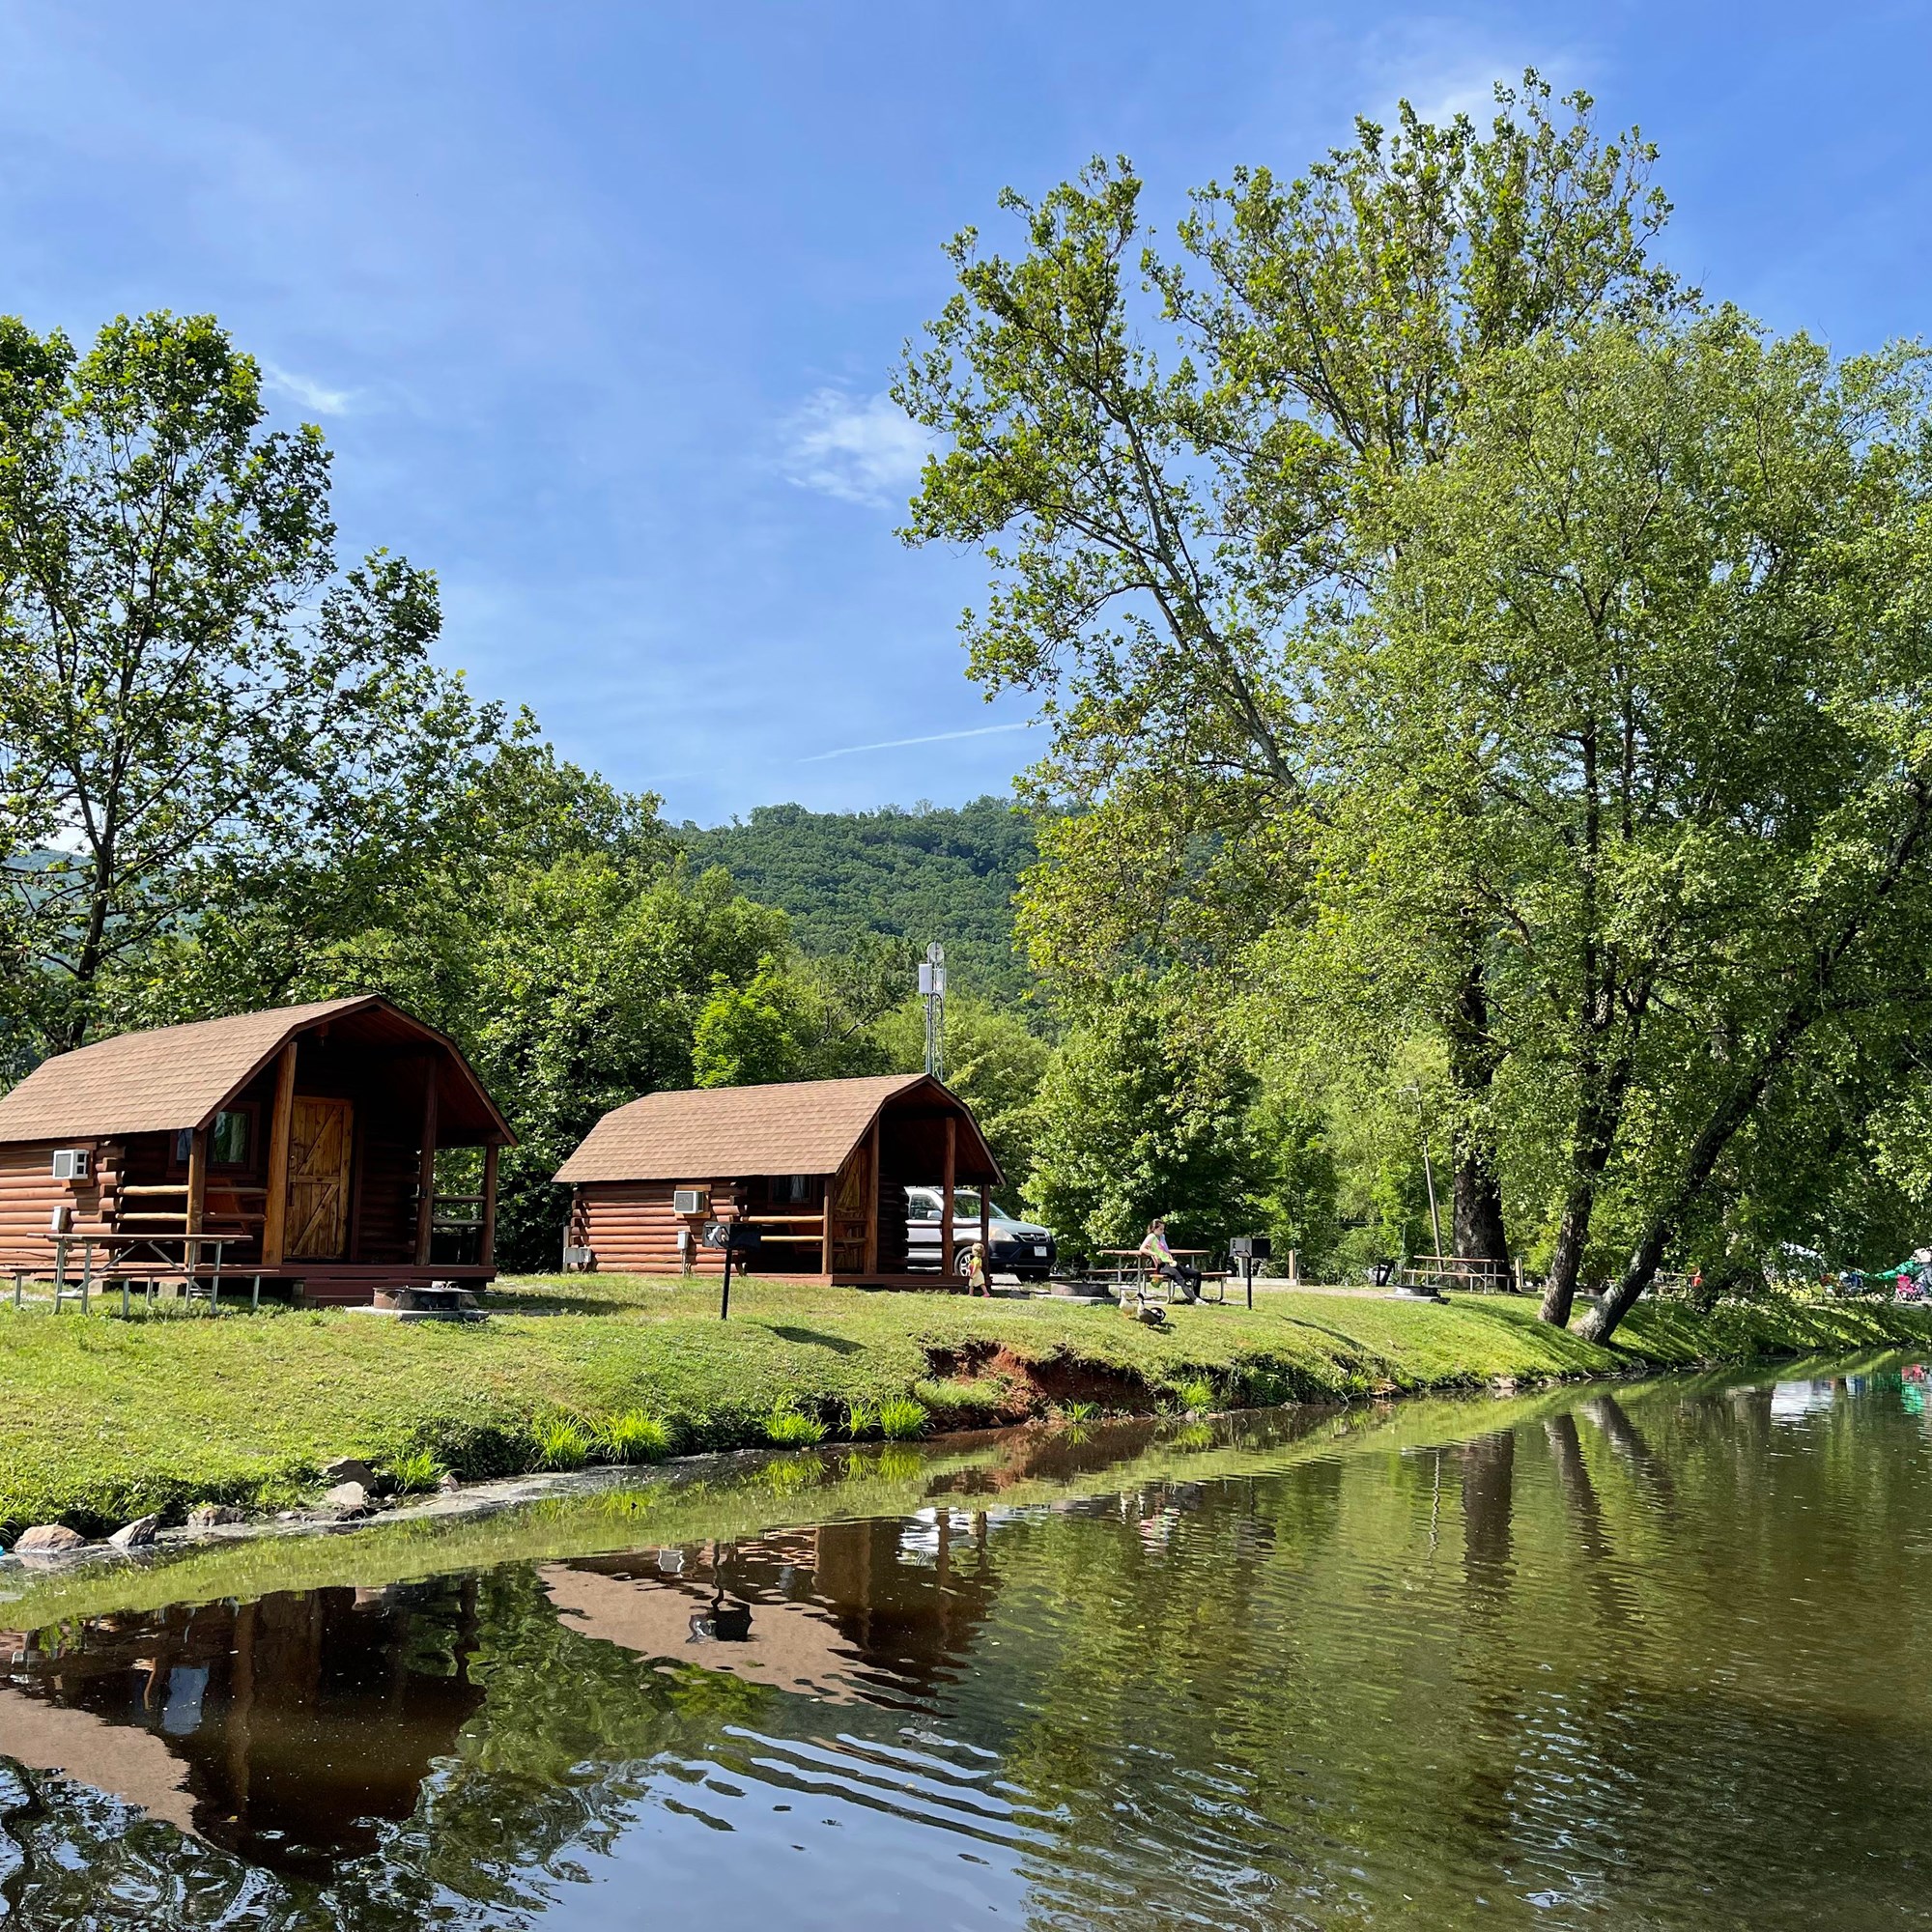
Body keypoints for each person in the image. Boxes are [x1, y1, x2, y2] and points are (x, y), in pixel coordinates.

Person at [1138, 1217, 1201, 1303]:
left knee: (1197, 1274)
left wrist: (1170, 1258)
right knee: (1180, 1279)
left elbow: (1166, 1250)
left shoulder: (1162, 1237)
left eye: (1163, 1229)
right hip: (1162, 1266)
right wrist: (1153, 1254)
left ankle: (1197, 1296)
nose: (1162, 1231)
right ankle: (1195, 1299)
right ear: (1154, 1228)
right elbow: (1142, 1248)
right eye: (1160, 1229)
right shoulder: (1151, 1236)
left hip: (1170, 1262)